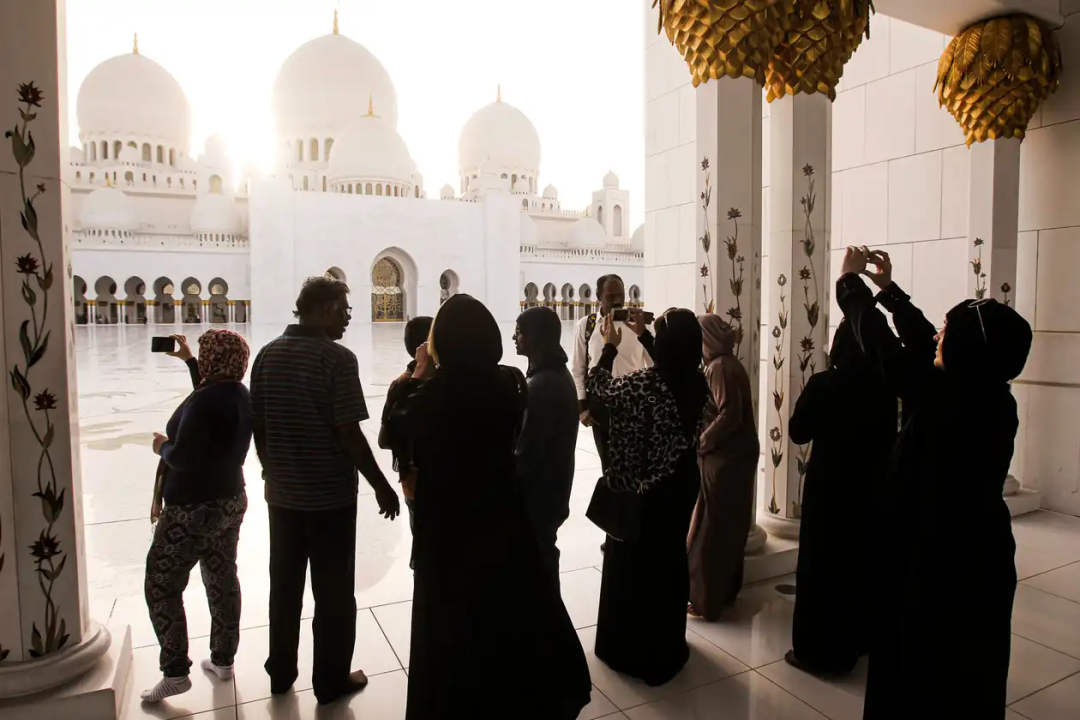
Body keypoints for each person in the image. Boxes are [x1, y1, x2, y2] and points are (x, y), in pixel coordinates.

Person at [835, 247, 1031, 720]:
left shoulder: (943, 396)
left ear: (965, 347)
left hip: (934, 564)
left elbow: (882, 347)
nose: (938, 335)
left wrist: (850, 284)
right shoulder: (991, 395)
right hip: (980, 558)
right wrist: (890, 292)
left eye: (948, 329)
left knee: (919, 677)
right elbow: (927, 343)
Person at [383, 294, 591, 720]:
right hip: (500, 508)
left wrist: (415, 373)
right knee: (498, 607)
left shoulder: (435, 391)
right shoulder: (511, 382)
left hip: (450, 520)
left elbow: (393, 429)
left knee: (450, 618)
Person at [250, 276, 401, 706]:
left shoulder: (266, 355)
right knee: (333, 593)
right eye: (344, 309)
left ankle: (281, 673)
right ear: (325, 308)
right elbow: (348, 432)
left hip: (282, 498)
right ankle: (330, 680)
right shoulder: (337, 359)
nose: (348, 318)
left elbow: (258, 424)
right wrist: (381, 486)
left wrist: (271, 469)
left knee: (284, 588)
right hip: (329, 499)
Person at [586, 309, 709, 686]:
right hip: (680, 482)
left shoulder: (643, 384)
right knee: (668, 560)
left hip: (644, 490)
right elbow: (672, 367)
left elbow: (599, 387)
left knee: (634, 565)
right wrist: (645, 337)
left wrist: (609, 347)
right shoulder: (697, 381)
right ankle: (666, 646)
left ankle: (631, 651)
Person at [141, 330, 252, 703]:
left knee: (161, 584)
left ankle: (175, 671)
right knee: (221, 578)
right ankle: (223, 659)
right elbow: (208, 407)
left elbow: (183, 457)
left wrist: (163, 446)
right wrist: (189, 361)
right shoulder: (238, 393)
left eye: (204, 355)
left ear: (213, 360)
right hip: (229, 501)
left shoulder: (206, 401)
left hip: (192, 508)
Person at [784, 318, 897, 676]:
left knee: (823, 567)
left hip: (829, 489)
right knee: (860, 562)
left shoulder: (824, 384)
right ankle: (859, 639)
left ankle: (819, 653)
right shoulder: (885, 386)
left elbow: (798, 432)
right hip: (871, 488)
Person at [686, 315, 760, 621]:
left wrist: (702, 441)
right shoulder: (728, 364)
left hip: (724, 458)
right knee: (730, 526)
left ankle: (706, 599)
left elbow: (729, 413)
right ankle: (724, 592)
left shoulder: (719, 367)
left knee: (711, 528)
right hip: (734, 457)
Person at [571, 274, 652, 553]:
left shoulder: (637, 326)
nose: (617, 301)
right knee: (609, 469)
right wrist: (582, 407)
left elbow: (652, 364)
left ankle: (634, 529)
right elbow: (579, 369)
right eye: (611, 296)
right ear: (598, 298)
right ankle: (614, 531)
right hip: (602, 410)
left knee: (637, 469)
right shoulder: (587, 326)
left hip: (633, 408)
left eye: (621, 295)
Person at [513, 306, 579, 585]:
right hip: (553, 492)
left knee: (537, 573)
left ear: (535, 337)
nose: (514, 338)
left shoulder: (542, 385)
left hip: (539, 497)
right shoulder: (554, 375)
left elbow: (526, 453)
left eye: (519, 332)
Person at [379, 315, 434, 571]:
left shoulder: (399, 384)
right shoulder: (436, 385)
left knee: (423, 552)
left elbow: (384, 440)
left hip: (411, 484)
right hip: (436, 485)